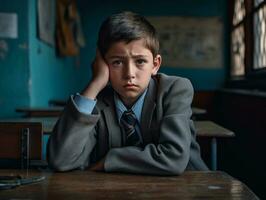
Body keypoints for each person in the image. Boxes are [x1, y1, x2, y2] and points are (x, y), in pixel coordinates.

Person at [47, 11, 208, 175]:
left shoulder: (175, 89)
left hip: (186, 186)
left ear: (155, 65)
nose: (129, 73)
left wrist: (110, 160)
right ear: (102, 63)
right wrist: (95, 83)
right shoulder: (97, 101)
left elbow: (174, 158)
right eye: (117, 62)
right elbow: (61, 160)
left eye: (140, 61)